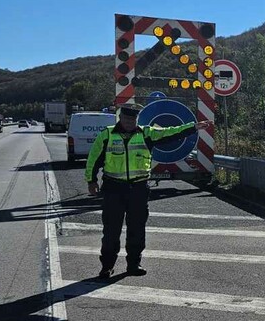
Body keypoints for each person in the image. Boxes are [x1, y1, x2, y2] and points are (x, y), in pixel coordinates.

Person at [85, 103, 212, 278]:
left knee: (137, 229)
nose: (129, 122)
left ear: (136, 119)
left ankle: (134, 264)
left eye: (133, 119)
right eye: (126, 118)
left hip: (138, 188)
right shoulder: (106, 135)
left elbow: (170, 132)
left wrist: (193, 127)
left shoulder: (147, 133)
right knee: (111, 231)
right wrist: (91, 180)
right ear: (120, 118)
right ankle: (107, 266)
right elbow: (93, 159)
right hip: (113, 189)